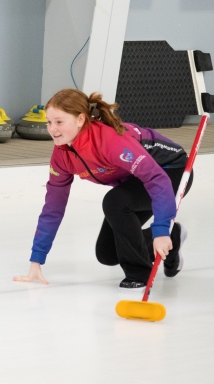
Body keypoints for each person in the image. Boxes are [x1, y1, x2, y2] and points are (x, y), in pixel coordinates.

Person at [14, 90, 191, 290]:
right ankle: (174, 236)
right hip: (136, 181)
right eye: (48, 122)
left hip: (171, 171)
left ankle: (139, 273)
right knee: (108, 253)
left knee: (115, 202)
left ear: (80, 119)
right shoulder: (62, 155)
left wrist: (161, 229)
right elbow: (53, 209)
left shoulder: (109, 141)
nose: (52, 129)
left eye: (59, 122)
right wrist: (36, 260)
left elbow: (155, 178)